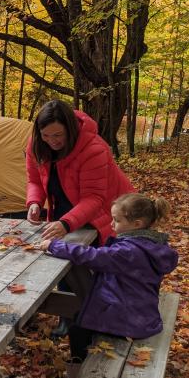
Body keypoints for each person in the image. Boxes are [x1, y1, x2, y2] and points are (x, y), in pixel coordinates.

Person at [38, 193, 178, 378]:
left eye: (117, 220)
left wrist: (53, 245)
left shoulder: (128, 251)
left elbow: (92, 257)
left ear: (137, 223)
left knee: (78, 329)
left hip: (128, 319)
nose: (111, 224)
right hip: (141, 310)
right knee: (82, 314)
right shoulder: (150, 245)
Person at [25, 99, 134, 336]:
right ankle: (69, 316)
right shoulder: (36, 145)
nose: (52, 142)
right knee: (64, 260)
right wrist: (34, 202)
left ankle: (100, 320)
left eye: (58, 135)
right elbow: (34, 180)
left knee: (95, 263)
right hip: (66, 206)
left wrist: (66, 222)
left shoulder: (94, 148)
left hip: (110, 211)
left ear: (70, 130)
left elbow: (95, 198)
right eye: (46, 135)